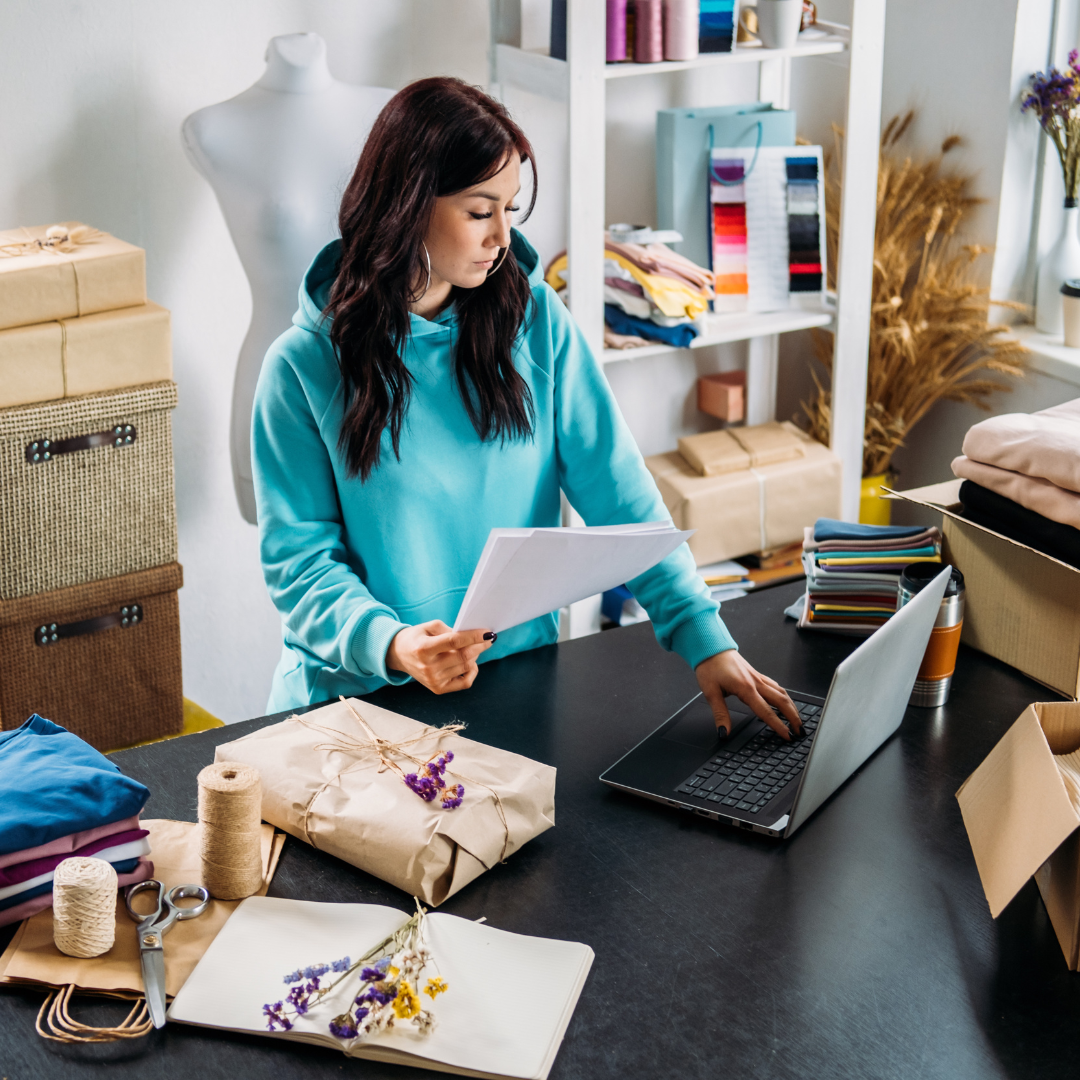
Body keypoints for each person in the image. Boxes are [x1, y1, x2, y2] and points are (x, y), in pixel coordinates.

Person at [251, 76, 802, 740]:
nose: (502, 237)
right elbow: (302, 566)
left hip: (514, 684)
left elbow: (620, 496)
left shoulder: (537, 322)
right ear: (407, 204)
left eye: (511, 209)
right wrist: (396, 645)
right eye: (481, 211)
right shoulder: (300, 368)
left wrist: (704, 638)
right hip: (357, 703)